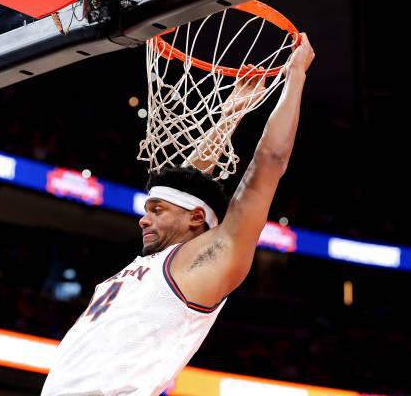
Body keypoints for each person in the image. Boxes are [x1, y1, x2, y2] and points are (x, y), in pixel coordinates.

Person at [41, 33, 315, 396]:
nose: (144, 219)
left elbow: (268, 164)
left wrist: (296, 75)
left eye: (156, 211)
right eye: (147, 210)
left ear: (196, 219)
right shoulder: (151, 264)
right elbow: (185, 187)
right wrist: (229, 116)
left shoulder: (208, 261)